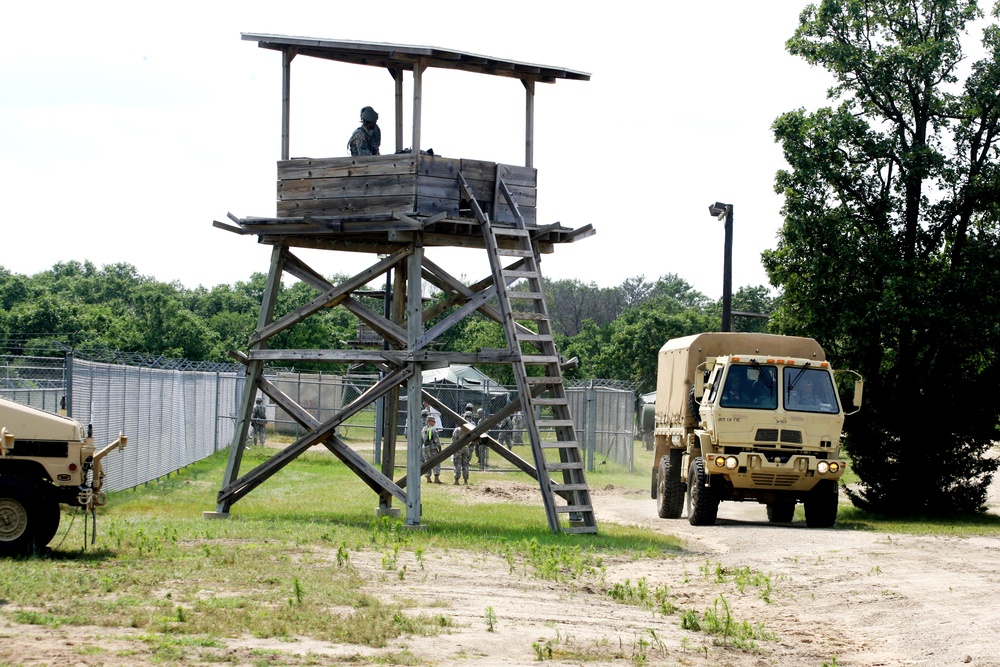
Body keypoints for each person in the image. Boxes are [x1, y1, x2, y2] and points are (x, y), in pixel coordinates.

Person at [452, 410, 475, 485]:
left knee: (457, 464)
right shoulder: (470, 428)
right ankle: (465, 481)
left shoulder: (458, 430)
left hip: (458, 448)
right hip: (466, 448)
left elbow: (454, 440)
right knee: (465, 464)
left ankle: (456, 480)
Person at [421, 415, 442, 484]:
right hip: (432, 447)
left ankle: (428, 478)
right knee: (436, 462)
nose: (434, 422)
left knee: (427, 462)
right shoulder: (433, 429)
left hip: (424, 448)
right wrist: (439, 448)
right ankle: (436, 478)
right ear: (430, 421)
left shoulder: (423, 429)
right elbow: (436, 440)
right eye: (433, 421)